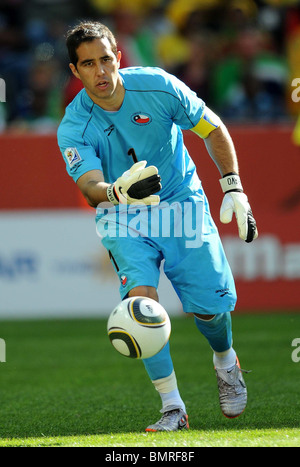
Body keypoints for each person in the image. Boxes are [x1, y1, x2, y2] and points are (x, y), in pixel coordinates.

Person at [57, 21, 258, 432]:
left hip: (181, 203)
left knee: (210, 312)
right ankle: (172, 408)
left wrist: (233, 187)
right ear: (75, 72)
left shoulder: (160, 86)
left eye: (106, 60)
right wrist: (116, 191)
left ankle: (225, 360)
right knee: (141, 307)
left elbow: (211, 127)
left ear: (119, 57)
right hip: (123, 214)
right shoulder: (74, 125)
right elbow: (90, 185)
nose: (101, 72)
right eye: (88, 64)